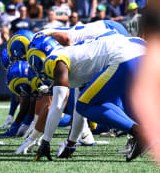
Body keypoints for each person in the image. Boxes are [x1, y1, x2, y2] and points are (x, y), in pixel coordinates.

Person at [27, 33, 144, 161]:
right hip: (141, 50)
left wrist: (46, 141)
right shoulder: (76, 59)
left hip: (125, 57)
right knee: (98, 102)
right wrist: (71, 144)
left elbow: (58, 105)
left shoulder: (56, 60)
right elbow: (79, 113)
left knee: (85, 105)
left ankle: (138, 132)